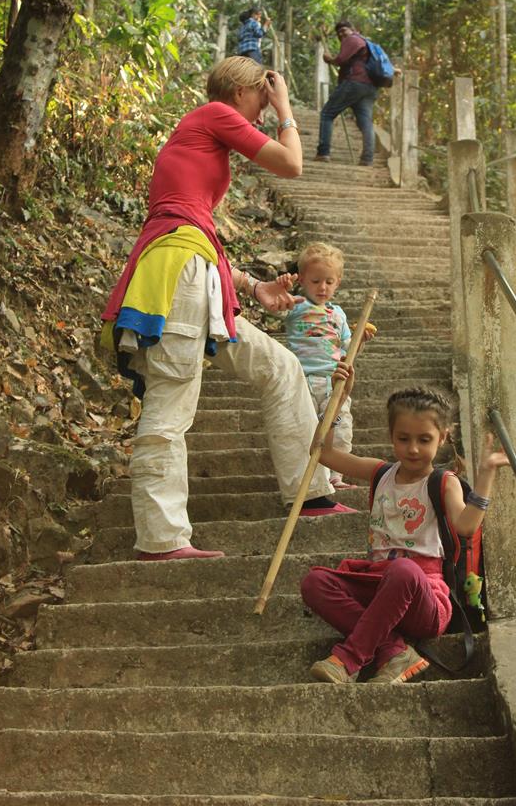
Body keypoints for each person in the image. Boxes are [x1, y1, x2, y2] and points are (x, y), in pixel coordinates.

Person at [101, 57, 354, 563]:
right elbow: (291, 163)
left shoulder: (203, 133)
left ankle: (311, 494)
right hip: (179, 274)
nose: (263, 108)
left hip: (200, 271)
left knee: (282, 368)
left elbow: (196, 229)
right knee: (172, 400)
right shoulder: (214, 113)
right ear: (241, 91)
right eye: (261, 96)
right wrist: (286, 109)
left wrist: (251, 286)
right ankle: (161, 538)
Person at [301, 376, 510, 684]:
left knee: (403, 570)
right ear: (391, 436)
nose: (412, 449)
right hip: (380, 583)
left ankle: (349, 658)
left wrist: (486, 474)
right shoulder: (381, 473)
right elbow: (324, 453)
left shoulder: (443, 482)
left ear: (442, 437)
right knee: (315, 582)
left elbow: (465, 526)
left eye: (424, 439)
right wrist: (339, 400)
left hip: (425, 597)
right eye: (403, 438)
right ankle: (394, 652)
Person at [284, 242, 359, 491]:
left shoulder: (339, 315)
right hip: (302, 379)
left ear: (338, 282)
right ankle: (312, 477)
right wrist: (281, 289)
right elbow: (274, 307)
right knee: (306, 428)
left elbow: (348, 348)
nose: (322, 287)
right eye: (315, 281)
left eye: (329, 281)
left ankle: (336, 476)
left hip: (333, 381)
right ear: (302, 279)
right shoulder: (294, 305)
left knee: (338, 426)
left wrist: (362, 340)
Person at [316, 21, 378, 167]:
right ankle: (367, 158)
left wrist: (329, 59)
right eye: (339, 33)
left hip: (354, 83)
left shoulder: (352, 39)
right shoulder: (366, 43)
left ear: (353, 29)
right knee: (365, 122)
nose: (341, 34)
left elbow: (341, 59)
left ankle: (323, 152)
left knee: (327, 114)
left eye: (344, 30)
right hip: (370, 86)